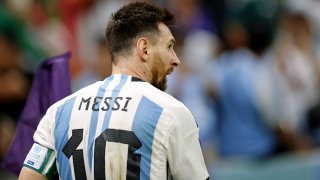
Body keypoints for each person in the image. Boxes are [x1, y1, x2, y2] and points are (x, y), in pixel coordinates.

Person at [18, 2, 209, 180]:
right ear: (144, 49)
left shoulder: (59, 112)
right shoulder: (171, 112)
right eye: (169, 46)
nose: (176, 59)